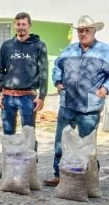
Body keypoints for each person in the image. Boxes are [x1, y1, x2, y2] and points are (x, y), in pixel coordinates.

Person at [44, 15, 109, 187]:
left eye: (87, 30)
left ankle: (88, 179)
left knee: (87, 145)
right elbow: (57, 67)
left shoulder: (105, 51)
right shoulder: (69, 50)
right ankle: (59, 174)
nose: (83, 34)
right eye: (80, 31)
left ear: (94, 31)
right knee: (60, 141)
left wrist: (105, 88)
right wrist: (58, 83)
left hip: (90, 106)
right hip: (68, 104)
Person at [0, 12, 48, 136]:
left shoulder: (39, 46)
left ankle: (31, 156)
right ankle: (8, 156)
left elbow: (43, 71)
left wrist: (42, 96)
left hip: (28, 97)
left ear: (29, 26)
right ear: (14, 25)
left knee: (28, 134)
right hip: (8, 96)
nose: (21, 27)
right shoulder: (7, 46)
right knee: (8, 134)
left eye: (24, 24)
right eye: (18, 24)